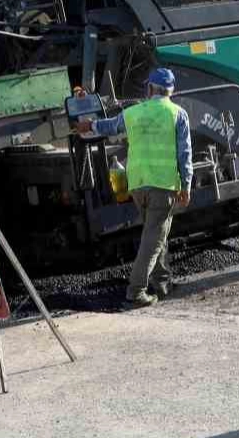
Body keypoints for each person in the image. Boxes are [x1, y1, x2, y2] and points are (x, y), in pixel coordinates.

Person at [76, 67, 192, 308]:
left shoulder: (133, 113)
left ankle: (162, 282)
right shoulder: (177, 114)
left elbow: (110, 127)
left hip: (138, 185)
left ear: (150, 88)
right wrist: (187, 184)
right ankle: (136, 291)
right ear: (171, 91)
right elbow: (185, 154)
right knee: (154, 237)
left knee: (155, 234)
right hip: (164, 184)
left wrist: (90, 126)